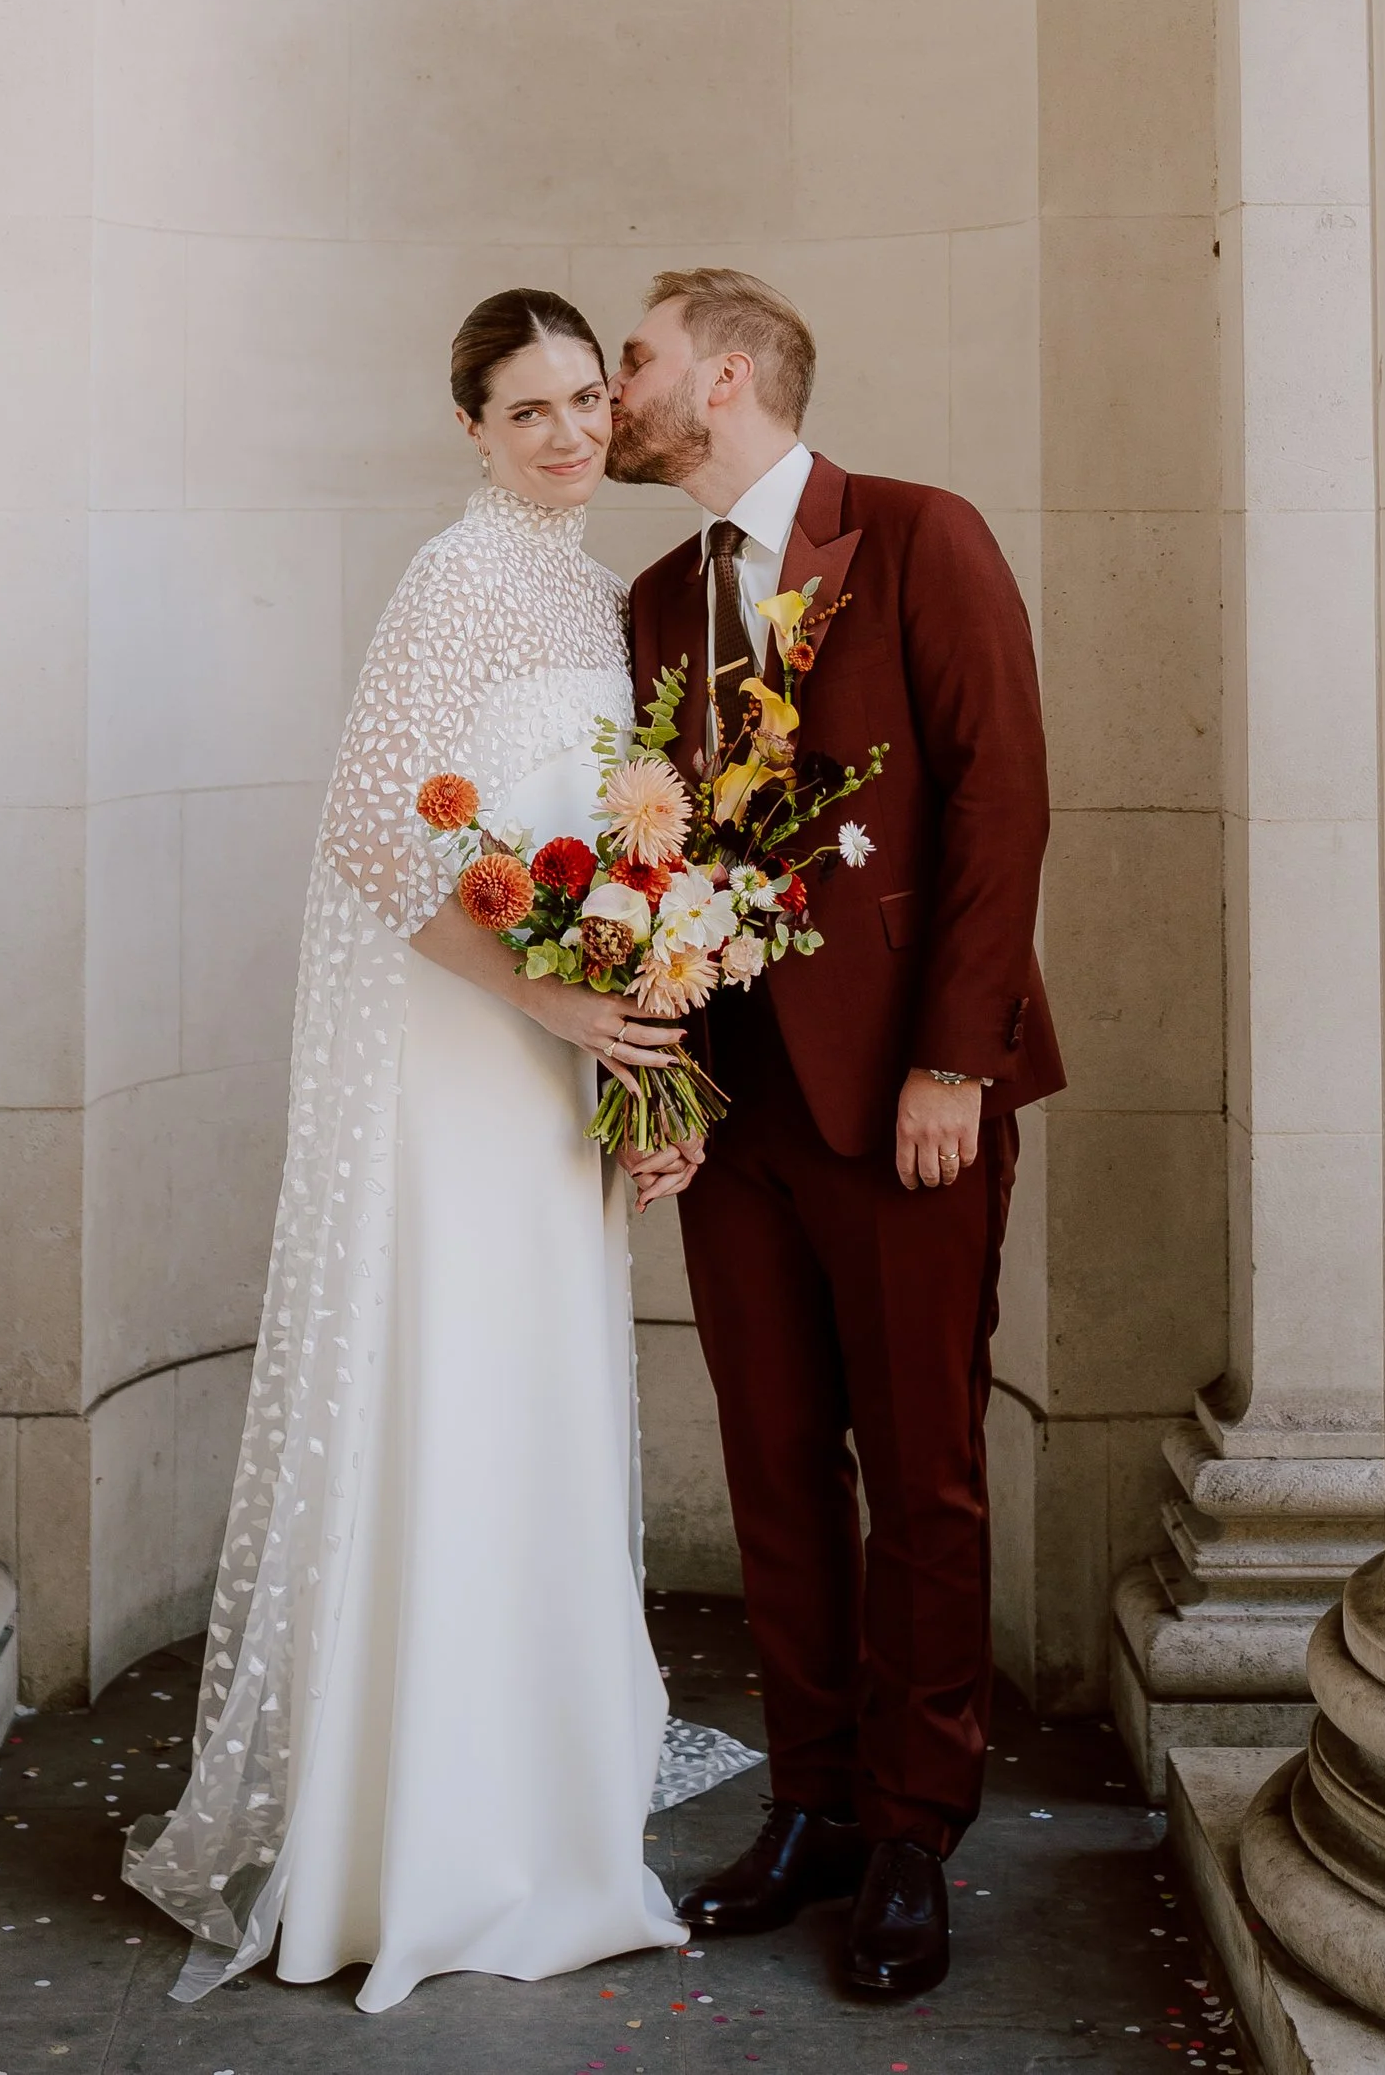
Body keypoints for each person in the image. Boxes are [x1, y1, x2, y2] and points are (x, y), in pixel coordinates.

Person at [127, 291, 692, 2011]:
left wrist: (630, 1043)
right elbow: (374, 832)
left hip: (558, 1046)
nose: (571, 433)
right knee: (462, 1372)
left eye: (590, 398)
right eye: (528, 410)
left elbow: (624, 846)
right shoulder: (454, 582)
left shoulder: (600, 594)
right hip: (468, 1047)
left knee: (544, 1384)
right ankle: (431, 1822)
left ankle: (542, 1781)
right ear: (470, 427)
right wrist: (553, 1001)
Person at [608, 266, 1063, 2005]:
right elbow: (644, 869)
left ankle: (910, 1835)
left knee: (926, 1473)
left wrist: (955, 1060)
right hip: (733, 1121)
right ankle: (805, 1797)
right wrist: (653, 1094)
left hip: (903, 1113)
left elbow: (1000, 796)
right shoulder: (658, 597)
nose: (618, 389)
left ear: (725, 377)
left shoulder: (917, 536)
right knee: (779, 1467)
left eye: (635, 359)